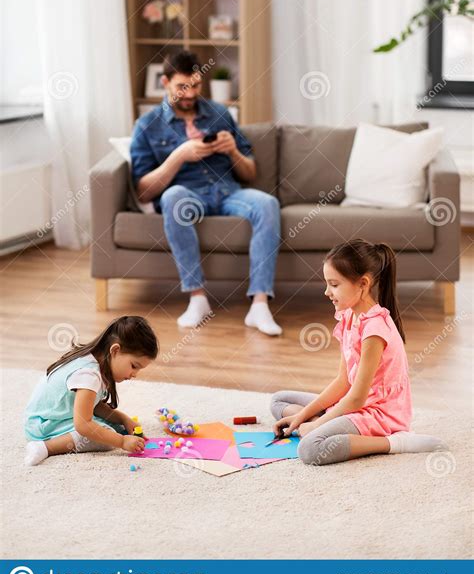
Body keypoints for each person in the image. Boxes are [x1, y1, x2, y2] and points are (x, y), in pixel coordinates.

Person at [130, 51, 282, 336]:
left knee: (267, 204)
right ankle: (197, 298)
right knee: (172, 197)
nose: (190, 94)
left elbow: (250, 173)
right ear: (165, 82)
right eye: (182, 87)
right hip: (188, 194)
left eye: (196, 86)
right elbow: (143, 192)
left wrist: (233, 150)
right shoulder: (147, 126)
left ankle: (259, 303)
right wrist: (179, 155)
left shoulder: (220, 114)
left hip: (228, 192)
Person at [270, 239, 446, 465]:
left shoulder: (374, 330)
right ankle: (329, 423)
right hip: (354, 403)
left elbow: (357, 397)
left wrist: (317, 425)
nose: (326, 292)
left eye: (334, 284)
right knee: (278, 401)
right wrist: (302, 417)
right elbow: (343, 381)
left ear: (363, 284)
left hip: (379, 413)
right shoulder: (347, 317)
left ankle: (396, 442)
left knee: (310, 449)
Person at [24, 316, 158, 466]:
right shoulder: (89, 375)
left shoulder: (94, 361)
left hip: (52, 417)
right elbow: (82, 425)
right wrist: (121, 441)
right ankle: (44, 448)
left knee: (112, 428)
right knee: (104, 437)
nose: (135, 374)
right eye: (134, 366)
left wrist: (123, 419)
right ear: (115, 350)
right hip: (43, 426)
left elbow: (94, 405)